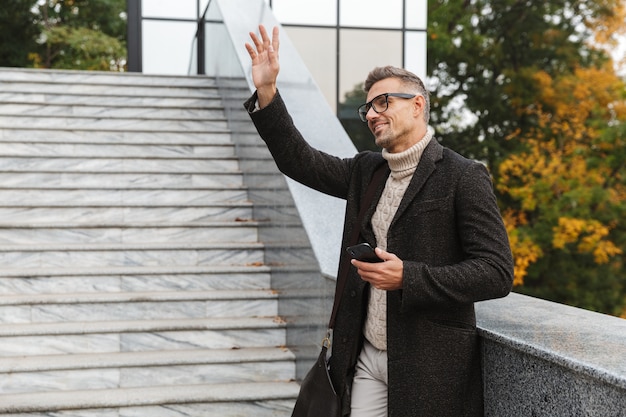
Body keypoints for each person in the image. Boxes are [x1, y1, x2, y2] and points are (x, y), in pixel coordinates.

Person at [244, 25, 514, 417]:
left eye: (383, 102)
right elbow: (299, 160)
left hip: (429, 365)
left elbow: (496, 272)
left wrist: (410, 277)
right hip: (365, 356)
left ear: (418, 105)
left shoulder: (463, 176)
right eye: (368, 107)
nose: (372, 114)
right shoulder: (367, 171)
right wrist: (267, 92)